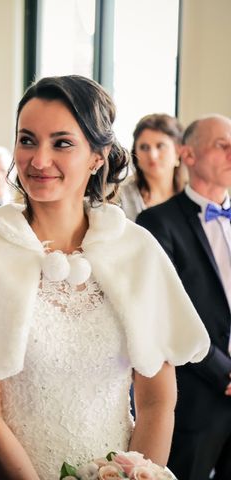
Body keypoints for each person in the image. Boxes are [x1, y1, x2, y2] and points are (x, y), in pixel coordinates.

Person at [0, 75, 211, 479]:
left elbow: (156, 402)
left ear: (98, 156)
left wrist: (137, 475)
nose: (39, 160)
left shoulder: (136, 250)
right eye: (27, 140)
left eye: (61, 143)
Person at [137, 114, 231, 480]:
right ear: (188, 156)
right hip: (196, 396)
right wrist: (223, 373)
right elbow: (165, 316)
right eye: (222, 145)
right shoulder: (157, 224)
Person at [118, 113, 186, 221]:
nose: (152, 155)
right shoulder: (119, 197)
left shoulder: (192, 196)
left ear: (178, 151)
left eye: (160, 146)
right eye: (144, 147)